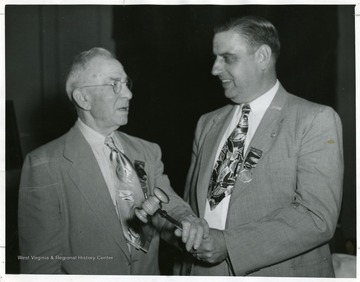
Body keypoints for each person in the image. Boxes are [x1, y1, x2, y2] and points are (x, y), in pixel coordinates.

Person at [18, 47, 209, 275]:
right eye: (115, 84)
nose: (128, 94)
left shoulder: (147, 151)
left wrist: (187, 219)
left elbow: (169, 204)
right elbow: (40, 268)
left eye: (127, 84)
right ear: (83, 98)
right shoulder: (44, 164)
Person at [181, 15, 344, 277]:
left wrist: (230, 245)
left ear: (263, 57)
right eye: (215, 57)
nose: (214, 69)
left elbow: (317, 217)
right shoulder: (207, 123)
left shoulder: (314, 119)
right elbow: (190, 208)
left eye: (228, 58)